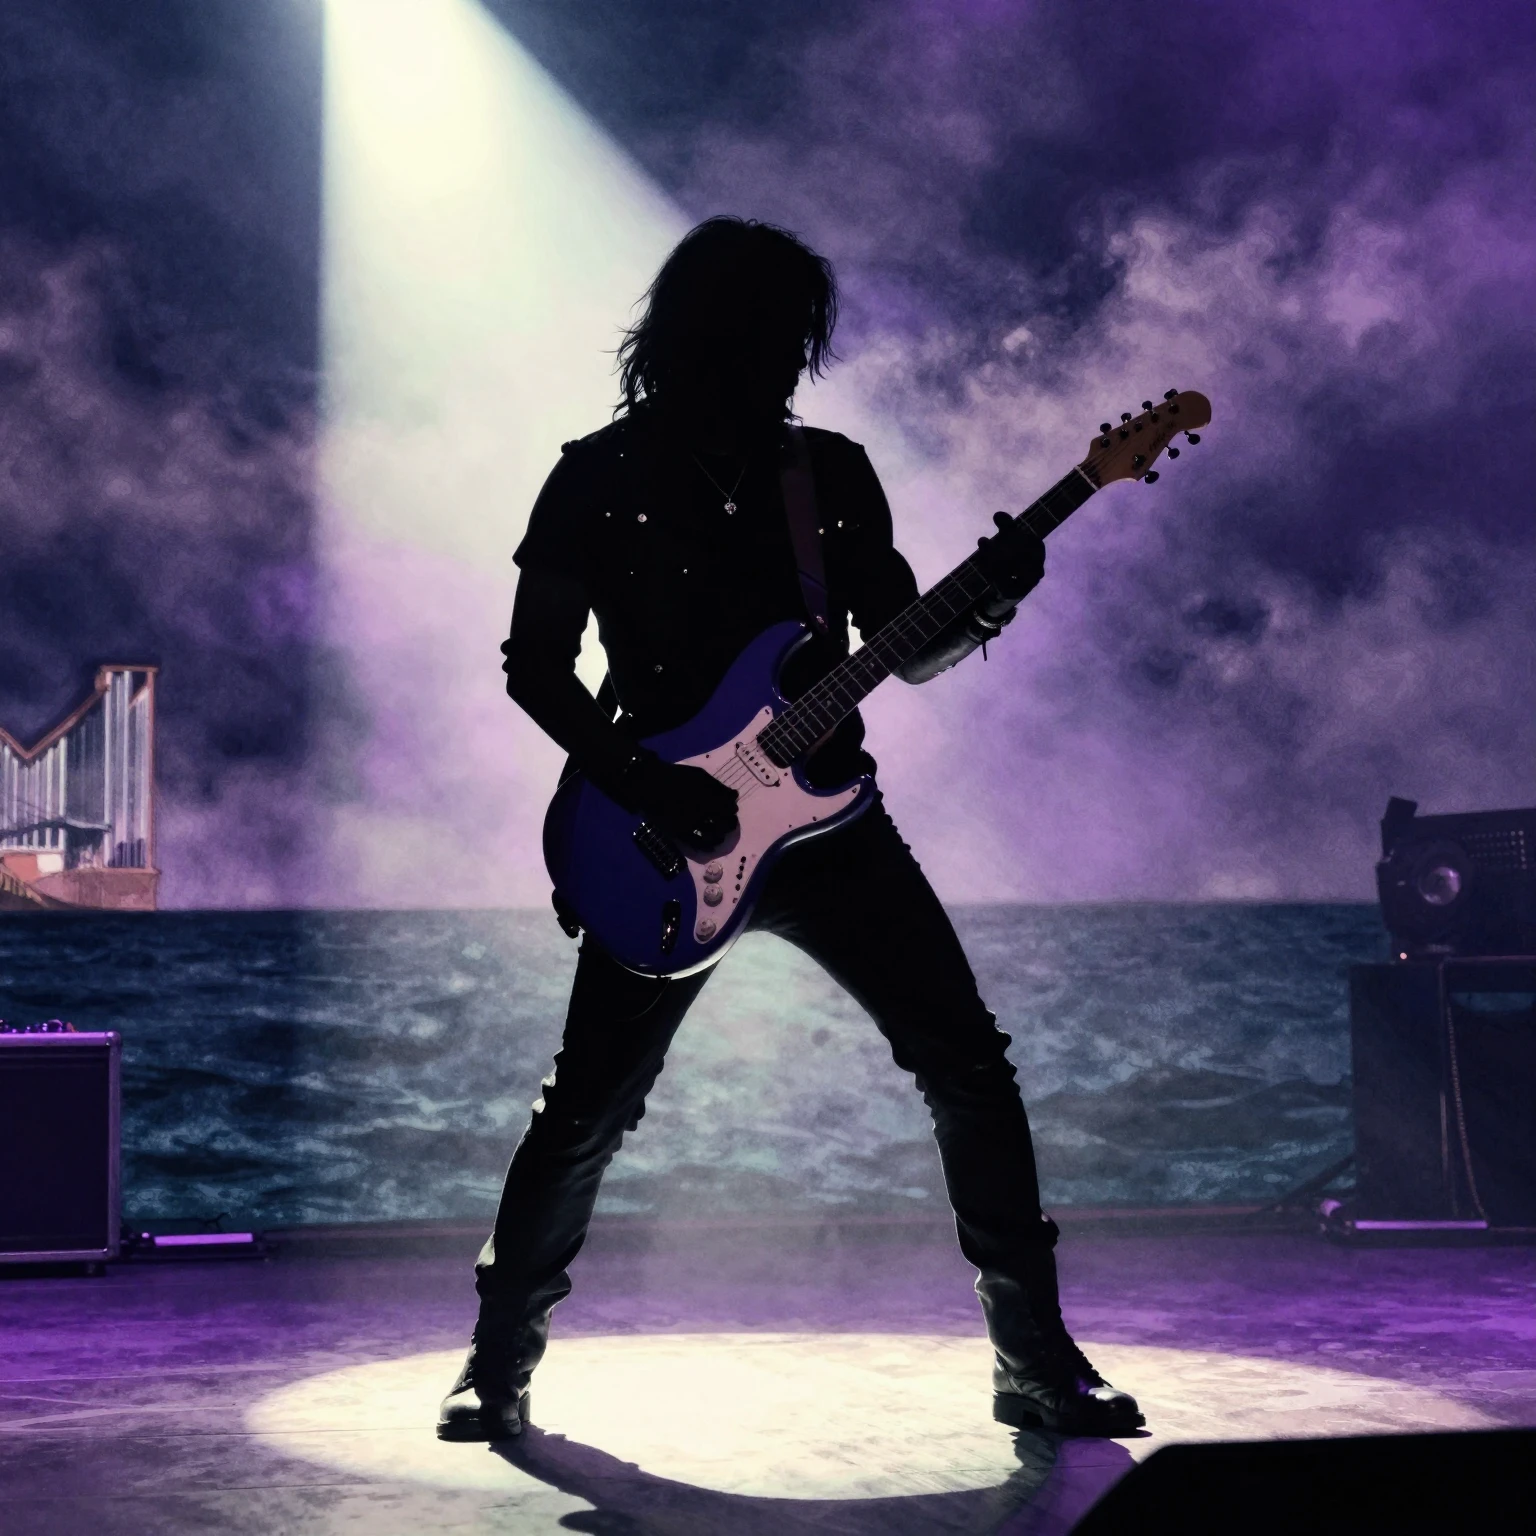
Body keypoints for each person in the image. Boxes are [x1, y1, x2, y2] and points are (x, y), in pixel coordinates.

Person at [438, 217, 1142, 1442]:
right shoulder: (595, 476)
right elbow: (534, 667)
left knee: (968, 1065)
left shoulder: (829, 473)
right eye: (760, 334)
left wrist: (991, 599)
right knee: (589, 1107)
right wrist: (645, 786)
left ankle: (1035, 1359)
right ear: (696, 336)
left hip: (829, 827)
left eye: (792, 340)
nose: (780, 361)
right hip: (660, 829)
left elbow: (904, 649)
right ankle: (496, 1366)